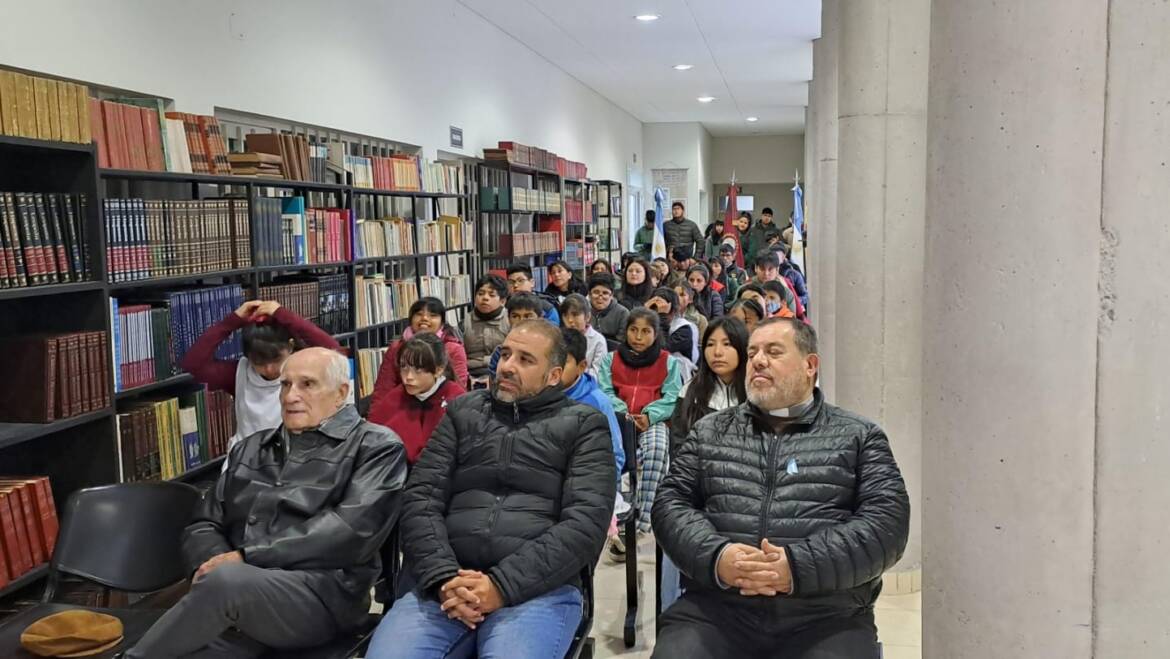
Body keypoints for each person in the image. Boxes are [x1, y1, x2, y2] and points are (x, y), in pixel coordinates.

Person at [651, 319, 911, 658]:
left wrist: (797, 566)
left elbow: (887, 526)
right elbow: (670, 503)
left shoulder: (858, 437)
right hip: (716, 611)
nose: (758, 360)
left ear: (810, 366)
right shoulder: (710, 432)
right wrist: (717, 557)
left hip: (825, 616)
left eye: (774, 352)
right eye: (754, 352)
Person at [125, 348, 407, 658]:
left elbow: (350, 531)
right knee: (202, 649)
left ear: (341, 393)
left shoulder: (377, 446)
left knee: (224, 588)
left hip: (324, 596)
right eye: (285, 385)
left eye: (307, 384)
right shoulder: (251, 448)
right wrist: (214, 563)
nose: (290, 396)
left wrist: (245, 559)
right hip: (239, 594)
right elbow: (204, 523)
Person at [366, 321, 616, 659]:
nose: (508, 366)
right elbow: (421, 499)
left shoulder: (584, 425)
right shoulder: (463, 412)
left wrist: (500, 586)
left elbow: (584, 525)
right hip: (444, 585)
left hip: (536, 590)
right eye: (506, 354)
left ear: (554, 375)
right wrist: (443, 578)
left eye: (526, 360)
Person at [660, 316, 750, 610]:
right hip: (700, 493)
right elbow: (680, 451)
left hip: (745, 494)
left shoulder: (756, 395)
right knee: (675, 525)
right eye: (710, 344)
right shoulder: (691, 392)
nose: (717, 352)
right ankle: (673, 609)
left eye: (726, 344)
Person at [182, 299, 342, 455]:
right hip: (247, 462)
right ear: (247, 357)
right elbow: (194, 364)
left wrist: (283, 315)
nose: (269, 369)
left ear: (291, 347)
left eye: (276, 359)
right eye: (258, 362)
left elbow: (335, 353)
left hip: (294, 460)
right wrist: (233, 321)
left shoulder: (304, 369)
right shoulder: (239, 373)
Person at [596, 308, 682, 551]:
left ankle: (640, 522)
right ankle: (611, 515)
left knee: (656, 450)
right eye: (634, 330)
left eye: (646, 331)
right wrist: (622, 412)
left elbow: (672, 396)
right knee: (606, 455)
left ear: (656, 335)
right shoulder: (611, 360)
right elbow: (605, 390)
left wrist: (649, 415)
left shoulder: (668, 362)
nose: (638, 336)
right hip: (617, 419)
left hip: (651, 420)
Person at [368, 334, 466, 464]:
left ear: (438, 370)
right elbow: (372, 438)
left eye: (418, 370)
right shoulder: (395, 396)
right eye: (404, 367)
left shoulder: (457, 398)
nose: (408, 377)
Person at [371, 298, 469, 404]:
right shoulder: (397, 348)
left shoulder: (452, 348)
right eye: (418, 314)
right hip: (402, 406)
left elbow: (458, 391)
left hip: (441, 406)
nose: (424, 318)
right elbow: (383, 387)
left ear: (442, 323)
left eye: (433, 315)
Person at [560, 327, 624, 481]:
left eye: (564, 361)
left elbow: (615, 458)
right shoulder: (534, 392)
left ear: (581, 367)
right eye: (550, 359)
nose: (555, 367)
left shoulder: (597, 402)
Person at [486, 293, 546, 378]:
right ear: (508, 319)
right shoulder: (500, 352)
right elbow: (495, 387)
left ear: (540, 318)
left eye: (528, 316)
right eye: (515, 316)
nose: (521, 321)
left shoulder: (548, 349)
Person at [462, 274, 509, 378]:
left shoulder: (510, 319)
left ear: (503, 301)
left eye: (492, 295)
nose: (485, 298)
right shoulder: (464, 322)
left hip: (503, 373)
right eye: (480, 294)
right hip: (470, 374)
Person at [647, 287, 699, 365]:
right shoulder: (647, 322)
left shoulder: (684, 329)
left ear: (674, 311)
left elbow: (662, 350)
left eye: (662, 310)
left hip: (678, 372)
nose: (657, 314)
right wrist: (645, 314)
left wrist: (662, 317)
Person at [560, 294, 607, 376]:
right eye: (566, 315)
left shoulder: (598, 341)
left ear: (588, 317)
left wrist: (571, 372)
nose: (570, 320)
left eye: (575, 315)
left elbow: (598, 374)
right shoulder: (558, 337)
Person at [587, 273, 630, 343]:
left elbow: (621, 342)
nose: (600, 297)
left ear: (612, 295)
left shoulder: (623, 313)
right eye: (596, 292)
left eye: (605, 293)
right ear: (589, 294)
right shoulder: (582, 311)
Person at [776, 244, 810, 310]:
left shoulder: (793, 272)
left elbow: (805, 296)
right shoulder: (768, 274)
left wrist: (794, 301)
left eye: (777, 256)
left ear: (783, 256)